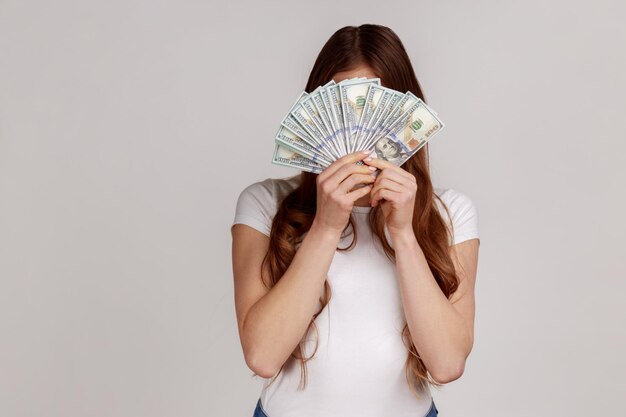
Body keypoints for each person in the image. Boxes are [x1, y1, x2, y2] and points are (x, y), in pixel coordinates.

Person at [231, 24, 480, 417]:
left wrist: (403, 234)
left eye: (374, 106)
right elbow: (262, 355)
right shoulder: (264, 203)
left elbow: (447, 364)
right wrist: (326, 227)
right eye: (343, 105)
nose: (359, 132)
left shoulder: (450, 213)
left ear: (406, 114)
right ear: (317, 112)